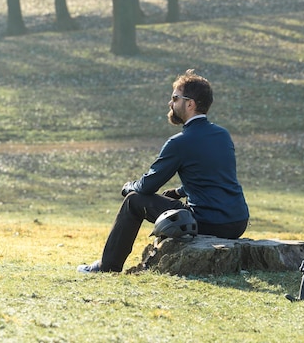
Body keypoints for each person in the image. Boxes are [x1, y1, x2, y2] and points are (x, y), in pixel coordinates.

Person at [77, 69, 250, 273]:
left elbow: (148, 186)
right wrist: (179, 192)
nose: (170, 103)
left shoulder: (180, 142)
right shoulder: (222, 135)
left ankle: (107, 267)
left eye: (175, 98)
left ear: (190, 104)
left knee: (134, 200)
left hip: (208, 223)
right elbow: (213, 177)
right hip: (237, 222)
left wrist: (129, 187)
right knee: (168, 205)